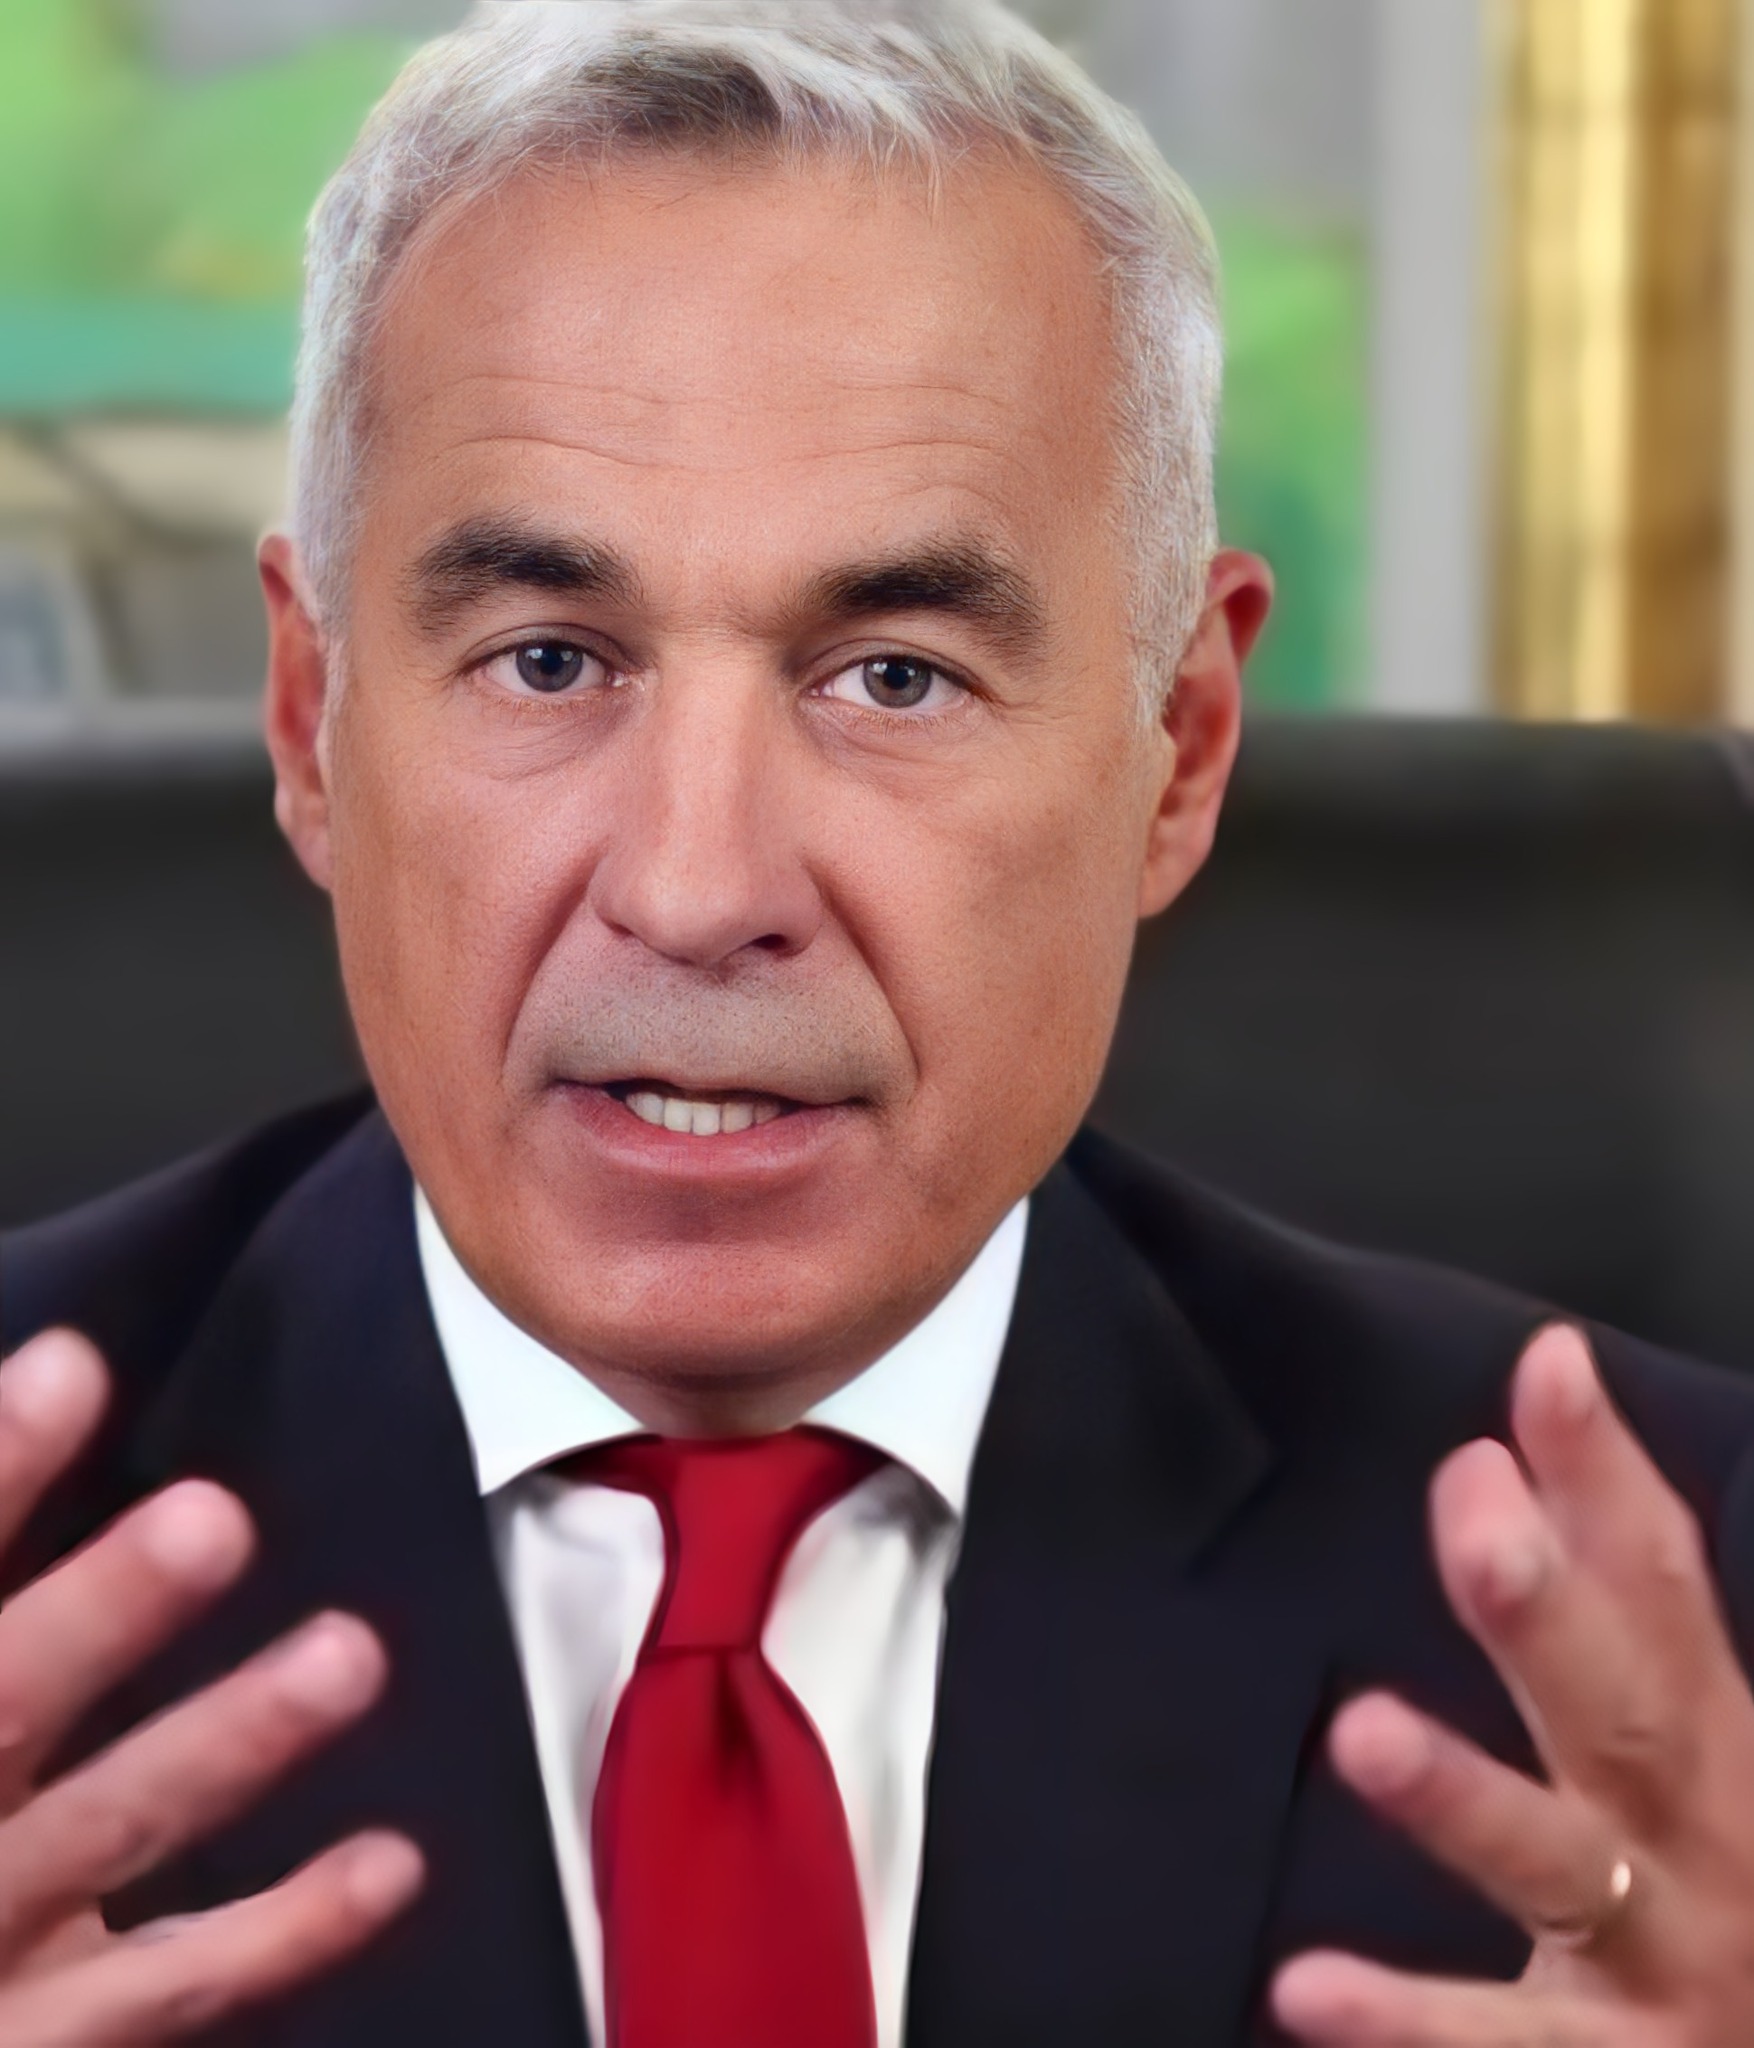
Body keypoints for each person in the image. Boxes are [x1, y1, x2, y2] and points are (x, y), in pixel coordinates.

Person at [6, 2, 1754, 2042]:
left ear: (1177, 749)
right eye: (549, 659)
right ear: (314, 722)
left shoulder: (1690, 1618)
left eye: (894, 677)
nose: (696, 886)